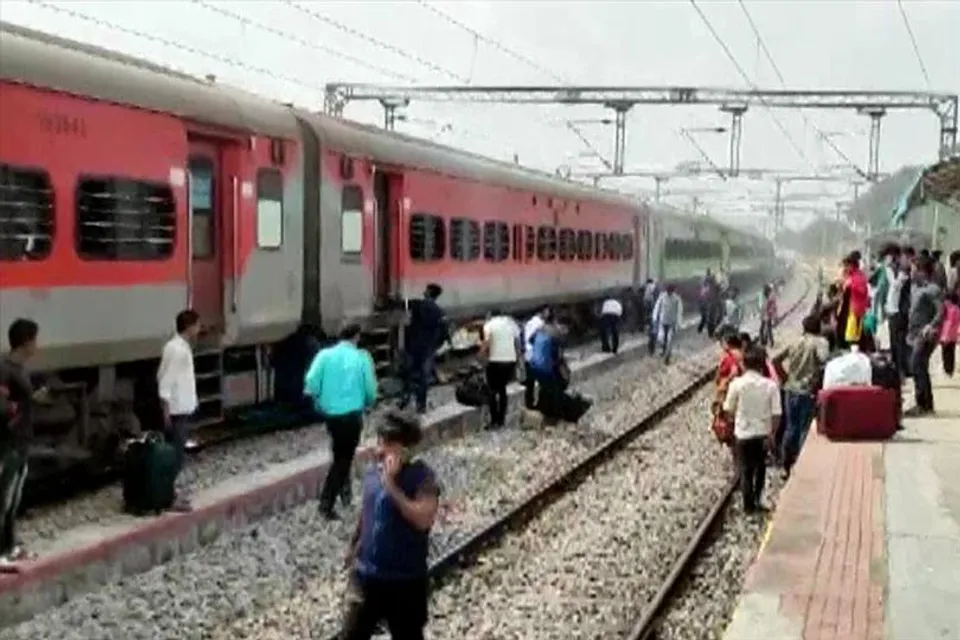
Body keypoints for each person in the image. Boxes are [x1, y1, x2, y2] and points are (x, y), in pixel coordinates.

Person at [341, 411, 440, 640]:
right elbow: (367, 511)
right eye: (379, 441)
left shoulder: (422, 479)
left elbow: (423, 519)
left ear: (406, 448)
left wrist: (391, 486)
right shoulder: (372, 473)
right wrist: (354, 544)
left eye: (388, 444)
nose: (380, 449)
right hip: (367, 576)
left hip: (405, 581)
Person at [304, 323, 378, 520]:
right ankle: (326, 505)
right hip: (352, 415)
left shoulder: (324, 355)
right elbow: (371, 389)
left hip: (332, 417)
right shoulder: (361, 357)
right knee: (343, 460)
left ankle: (346, 496)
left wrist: (319, 402)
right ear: (356, 337)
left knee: (340, 454)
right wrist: (370, 402)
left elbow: (310, 382)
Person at [0, 319, 45, 571]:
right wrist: (14, 411)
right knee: (3, 497)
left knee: (14, 498)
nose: (37, 345)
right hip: (9, 443)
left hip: (21, 442)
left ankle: (11, 546)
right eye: (35, 340)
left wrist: (32, 399)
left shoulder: (19, 368)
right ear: (26, 341)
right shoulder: (5, 369)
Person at [722, 347, 782, 514]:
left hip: (743, 433)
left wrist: (733, 422)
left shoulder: (737, 384)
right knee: (760, 468)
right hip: (763, 434)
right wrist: (772, 434)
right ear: (762, 366)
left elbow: (728, 409)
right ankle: (757, 498)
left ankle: (748, 505)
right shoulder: (771, 386)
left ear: (744, 365)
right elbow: (777, 414)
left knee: (746, 469)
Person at [156, 309, 201, 513]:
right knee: (175, 457)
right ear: (190, 326)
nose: (199, 329)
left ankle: (168, 494)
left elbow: (161, 376)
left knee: (175, 455)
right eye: (197, 325)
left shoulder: (174, 347)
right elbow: (165, 381)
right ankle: (168, 497)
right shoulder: (178, 351)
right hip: (176, 412)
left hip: (177, 410)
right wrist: (165, 410)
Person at [780, 316, 829, 478]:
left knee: (790, 427)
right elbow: (824, 361)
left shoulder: (795, 341)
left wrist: (786, 377)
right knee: (805, 430)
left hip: (790, 390)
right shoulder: (820, 342)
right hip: (807, 391)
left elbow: (776, 361)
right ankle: (801, 466)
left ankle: (786, 464)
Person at [398, 284, 447, 415]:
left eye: (426, 290)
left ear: (429, 292)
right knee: (423, 377)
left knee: (408, 373)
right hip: (428, 349)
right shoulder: (439, 312)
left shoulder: (417, 304)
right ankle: (421, 406)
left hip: (412, 346)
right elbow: (443, 332)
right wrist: (436, 345)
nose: (423, 291)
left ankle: (405, 398)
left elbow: (403, 304)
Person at [906, 255, 944, 415]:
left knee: (917, 365)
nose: (911, 272)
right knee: (919, 367)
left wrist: (931, 325)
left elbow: (941, 311)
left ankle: (922, 404)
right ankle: (926, 404)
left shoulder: (932, 289)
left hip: (925, 334)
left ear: (922, 270)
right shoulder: (915, 288)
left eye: (913, 269)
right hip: (914, 333)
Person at [480, 309, 521, 429]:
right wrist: (518, 359)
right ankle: (502, 420)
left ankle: (494, 421)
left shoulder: (489, 324)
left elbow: (487, 342)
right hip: (510, 361)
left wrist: (480, 355)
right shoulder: (511, 322)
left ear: (490, 315)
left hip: (495, 361)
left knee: (492, 391)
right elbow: (517, 342)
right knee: (502, 390)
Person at [528, 316, 569, 425]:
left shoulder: (539, 330)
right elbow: (560, 352)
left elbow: (531, 340)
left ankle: (542, 412)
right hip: (549, 366)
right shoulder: (557, 332)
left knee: (544, 388)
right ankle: (554, 416)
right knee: (556, 389)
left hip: (535, 365)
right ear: (555, 322)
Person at [836, 252, 869, 350]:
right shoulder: (850, 276)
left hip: (854, 312)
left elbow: (863, 291)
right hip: (848, 311)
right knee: (848, 335)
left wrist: (851, 284)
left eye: (846, 265)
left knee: (852, 337)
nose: (845, 268)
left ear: (852, 265)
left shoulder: (858, 277)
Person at [522, 307, 551, 410]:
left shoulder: (529, 322)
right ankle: (541, 404)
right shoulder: (540, 324)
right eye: (547, 312)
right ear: (542, 312)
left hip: (528, 355)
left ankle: (529, 404)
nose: (548, 314)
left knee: (530, 383)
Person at [651, 284, 683, 364]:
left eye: (670, 291)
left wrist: (678, 323)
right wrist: (655, 317)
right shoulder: (662, 297)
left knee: (669, 340)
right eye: (668, 291)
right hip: (663, 321)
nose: (669, 293)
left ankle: (667, 356)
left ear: (673, 291)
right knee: (662, 338)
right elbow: (657, 307)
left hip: (672, 322)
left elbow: (679, 311)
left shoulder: (677, 299)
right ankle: (663, 350)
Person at [941, 292, 959, 377]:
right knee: (951, 353)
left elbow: (949, 323)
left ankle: (947, 369)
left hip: (947, 335)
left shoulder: (950, 310)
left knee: (946, 353)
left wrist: (945, 336)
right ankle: (950, 370)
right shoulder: (957, 309)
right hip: (953, 335)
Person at [697, 269, 717, 334]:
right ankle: (706, 330)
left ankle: (701, 329)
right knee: (706, 318)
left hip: (703, 303)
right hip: (704, 304)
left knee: (705, 318)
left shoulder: (704, 285)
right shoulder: (706, 287)